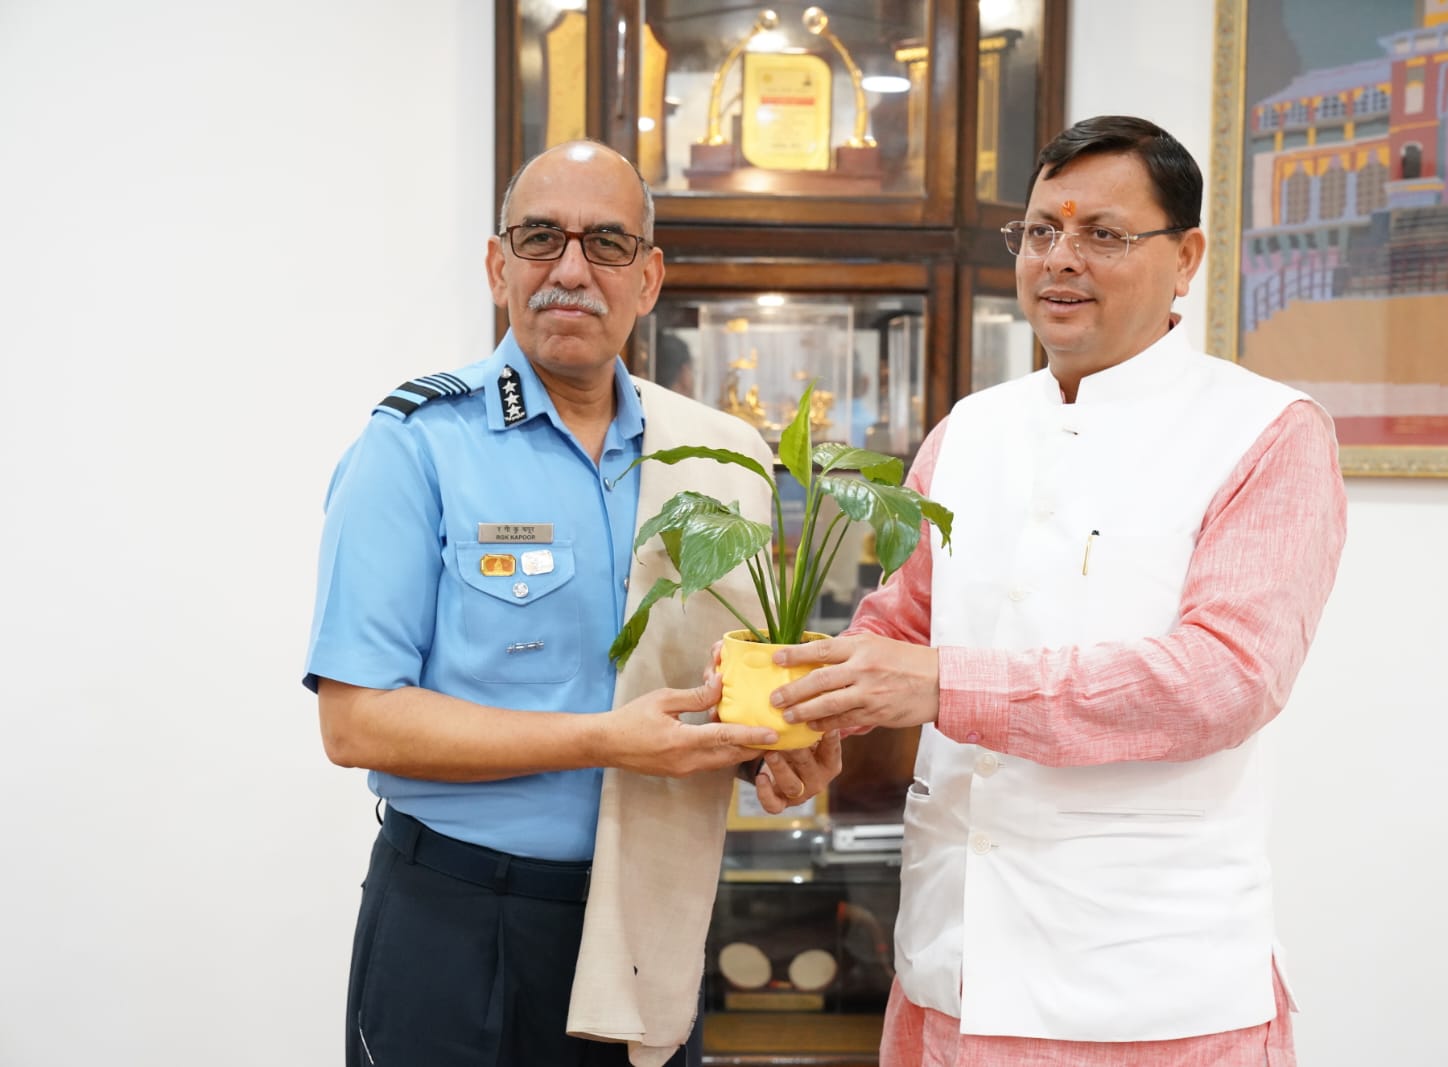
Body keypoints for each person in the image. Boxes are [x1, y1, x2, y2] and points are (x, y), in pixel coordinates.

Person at [767, 115, 1348, 1066]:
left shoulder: (1267, 432)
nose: (1059, 259)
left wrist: (943, 685)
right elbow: (897, 630)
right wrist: (807, 720)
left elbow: (1225, 678)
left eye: (1102, 234)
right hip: (947, 970)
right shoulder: (969, 429)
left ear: (1186, 258)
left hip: (1146, 993)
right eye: (1040, 231)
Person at [304, 140, 841, 1067]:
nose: (571, 269)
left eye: (607, 244)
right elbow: (356, 723)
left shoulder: (719, 457)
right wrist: (605, 739)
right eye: (541, 237)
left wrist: (775, 758)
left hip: (649, 922)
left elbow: (712, 696)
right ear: (497, 265)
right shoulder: (417, 445)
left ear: (649, 278)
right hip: (460, 922)